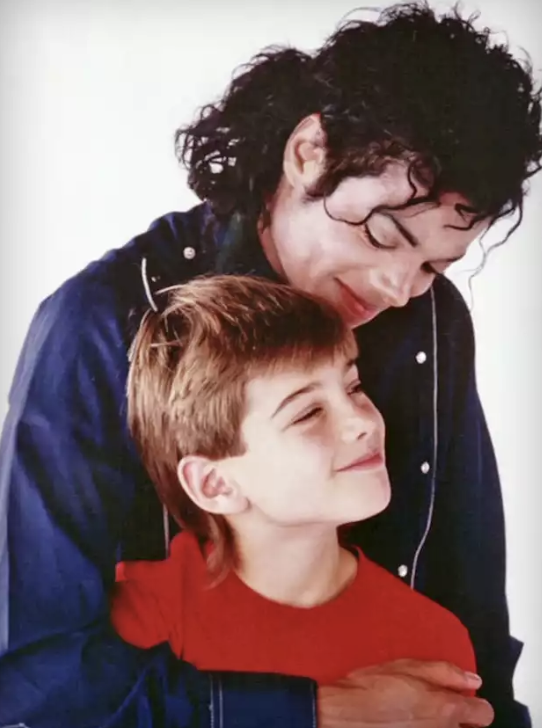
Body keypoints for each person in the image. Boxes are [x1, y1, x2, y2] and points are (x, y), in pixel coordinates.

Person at [0, 2, 540, 727]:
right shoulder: (100, 323)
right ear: (309, 152)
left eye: (434, 265)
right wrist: (314, 711)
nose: (397, 289)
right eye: (384, 235)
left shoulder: (429, 317)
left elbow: (468, 600)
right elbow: (36, 672)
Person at [111, 274, 481, 695]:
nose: (362, 421)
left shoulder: (432, 642)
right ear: (215, 484)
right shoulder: (139, 622)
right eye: (308, 413)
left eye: (354, 387)